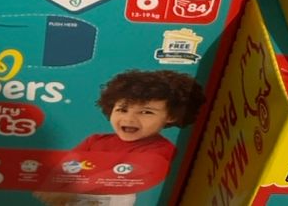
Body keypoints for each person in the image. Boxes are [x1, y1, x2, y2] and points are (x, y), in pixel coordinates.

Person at [35, 69, 205, 205]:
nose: (129, 119)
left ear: (171, 116)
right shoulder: (96, 140)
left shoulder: (161, 149)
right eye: (122, 110)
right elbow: (65, 165)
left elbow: (121, 175)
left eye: (146, 112)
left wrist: (71, 189)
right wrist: (50, 185)